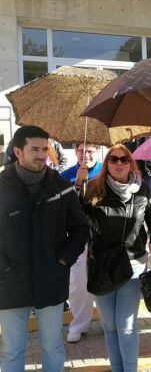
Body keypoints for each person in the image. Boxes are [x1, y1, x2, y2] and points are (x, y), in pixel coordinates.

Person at [0, 125, 88, 372]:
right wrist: (3, 268)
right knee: (11, 352)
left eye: (44, 149)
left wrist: (63, 261)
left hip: (51, 281)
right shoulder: (2, 187)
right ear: (18, 151)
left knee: (53, 347)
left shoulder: (61, 186)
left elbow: (81, 229)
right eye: (34, 149)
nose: (42, 155)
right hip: (10, 284)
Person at [83, 143, 151, 372]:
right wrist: (78, 186)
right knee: (109, 326)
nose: (118, 163)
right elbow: (77, 222)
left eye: (123, 159)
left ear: (131, 164)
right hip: (101, 267)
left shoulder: (143, 190)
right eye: (113, 159)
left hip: (132, 265)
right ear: (107, 163)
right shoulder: (92, 189)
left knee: (126, 326)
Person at [61, 143, 103, 343]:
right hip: (77, 236)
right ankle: (79, 323)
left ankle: (108, 320)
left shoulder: (107, 170)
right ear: (75, 152)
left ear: (97, 152)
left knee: (104, 278)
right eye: (80, 150)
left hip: (103, 235)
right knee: (78, 283)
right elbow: (60, 205)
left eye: (90, 150)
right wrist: (77, 184)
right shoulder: (66, 175)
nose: (85, 154)